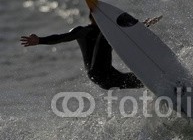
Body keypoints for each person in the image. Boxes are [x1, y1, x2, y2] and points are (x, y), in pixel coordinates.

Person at [20, 13, 161, 90]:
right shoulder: (83, 31)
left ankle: (162, 87)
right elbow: (62, 38)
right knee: (107, 34)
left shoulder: (111, 32)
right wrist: (40, 40)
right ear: (92, 18)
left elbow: (122, 33)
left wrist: (142, 25)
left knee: (143, 81)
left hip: (110, 76)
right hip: (97, 73)